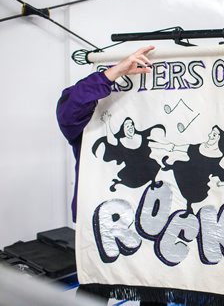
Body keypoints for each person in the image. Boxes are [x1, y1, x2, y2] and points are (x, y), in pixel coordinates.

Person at [57, 46, 180, 305]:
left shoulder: (150, 134)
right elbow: (70, 110)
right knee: (96, 289)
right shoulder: (92, 125)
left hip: (149, 222)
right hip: (102, 222)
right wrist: (113, 73)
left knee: (153, 290)